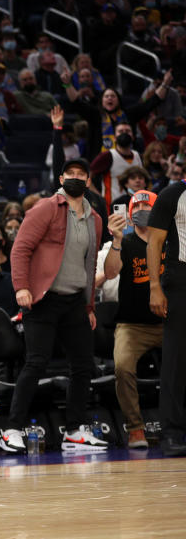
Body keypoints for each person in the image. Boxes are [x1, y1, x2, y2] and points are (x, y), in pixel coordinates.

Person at [0, 158, 106, 454]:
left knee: (84, 364)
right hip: (43, 299)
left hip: (74, 300)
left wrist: (89, 306)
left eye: (80, 174)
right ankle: (11, 430)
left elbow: (90, 264)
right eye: (69, 173)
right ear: (60, 178)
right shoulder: (46, 207)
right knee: (36, 362)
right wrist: (21, 286)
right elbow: (20, 248)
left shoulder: (95, 218)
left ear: (88, 180)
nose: (74, 177)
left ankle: (74, 430)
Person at [101, 191, 162, 449]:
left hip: (169, 322)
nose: (140, 210)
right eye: (135, 206)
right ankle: (136, 429)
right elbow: (110, 272)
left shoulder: (171, 241)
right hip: (132, 325)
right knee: (122, 367)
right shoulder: (124, 243)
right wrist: (115, 240)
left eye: (146, 206)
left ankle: (176, 424)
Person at [147, 179, 186, 456]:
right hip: (180, 278)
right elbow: (154, 242)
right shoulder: (172, 194)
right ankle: (171, 432)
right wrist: (155, 287)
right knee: (175, 358)